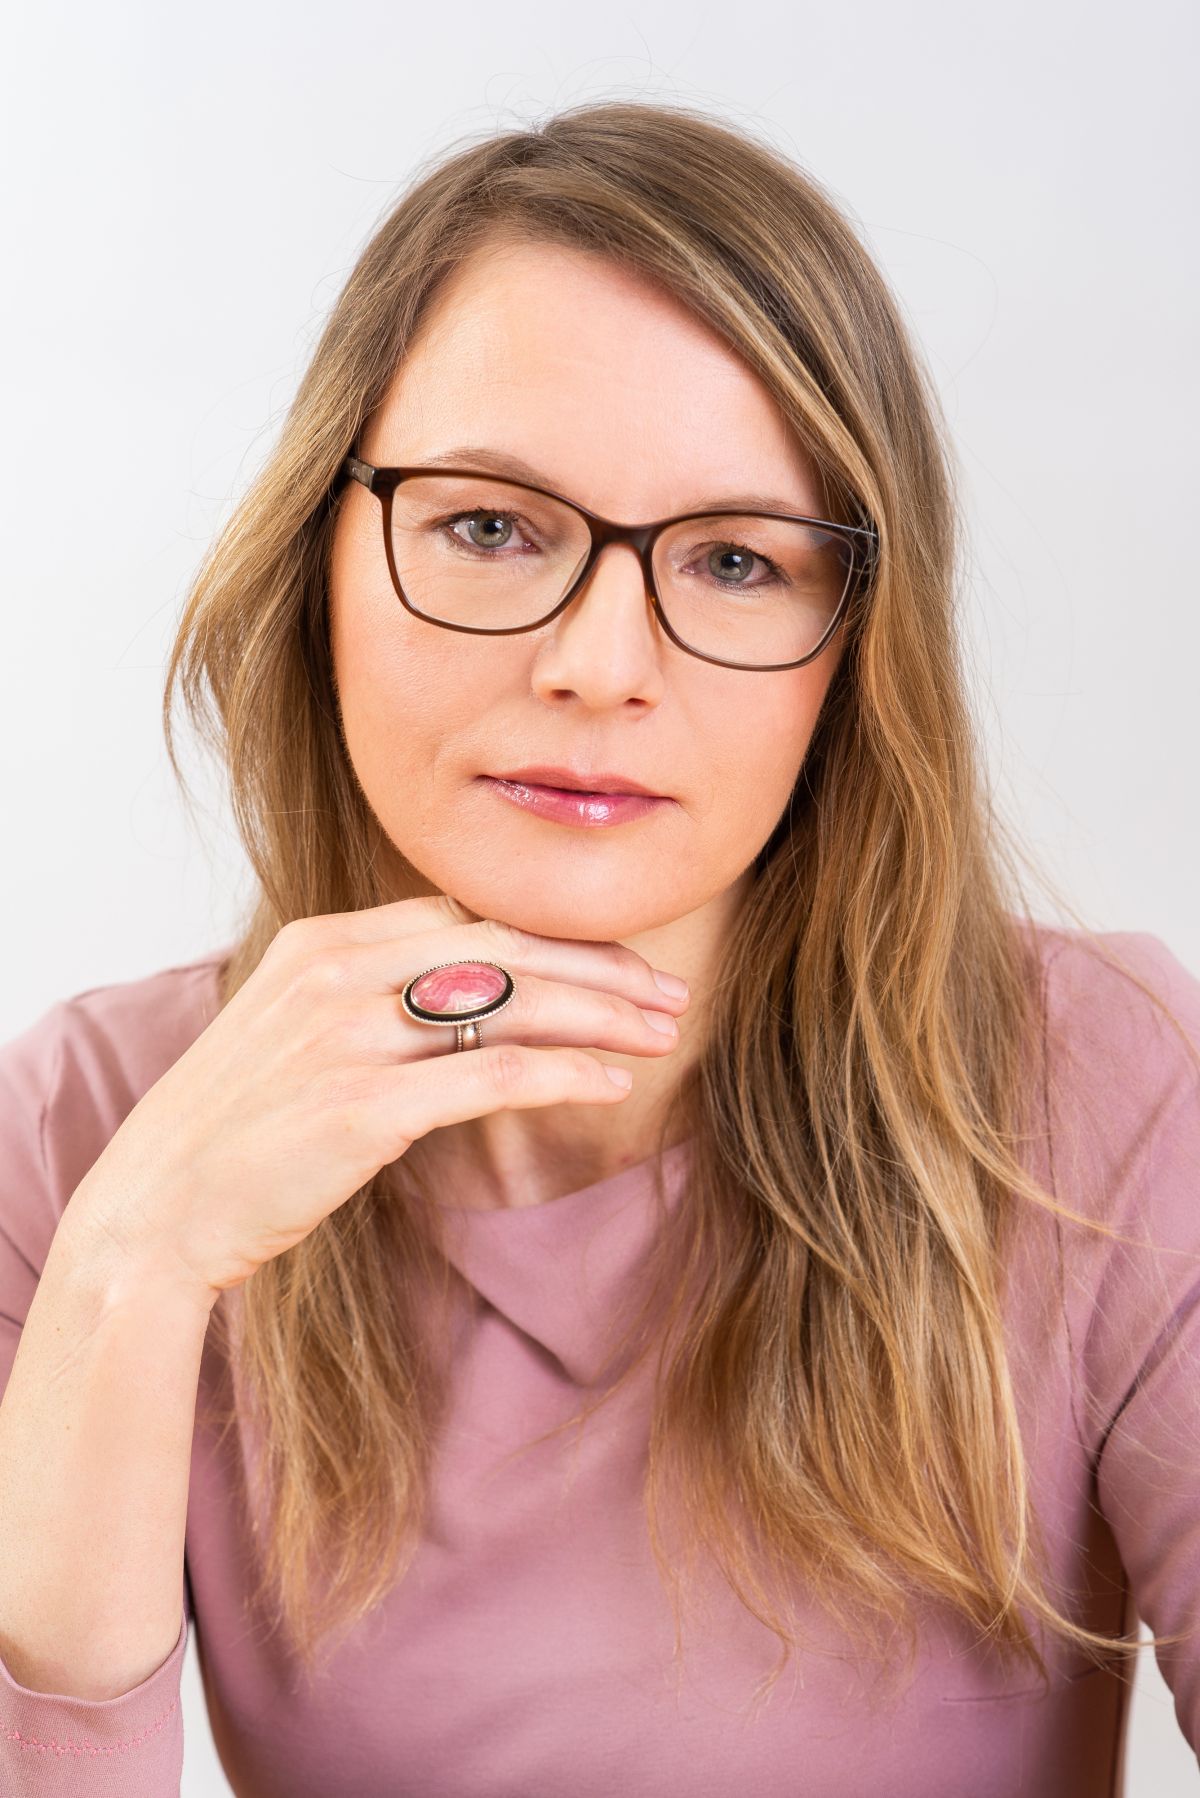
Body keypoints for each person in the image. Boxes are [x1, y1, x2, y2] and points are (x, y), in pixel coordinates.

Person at [0, 98, 1196, 1798]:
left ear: (854, 652)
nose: (600, 664)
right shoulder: (87, 1131)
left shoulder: (1113, 1087)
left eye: (735, 561)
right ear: (317, 555)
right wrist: (131, 1268)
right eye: (491, 526)